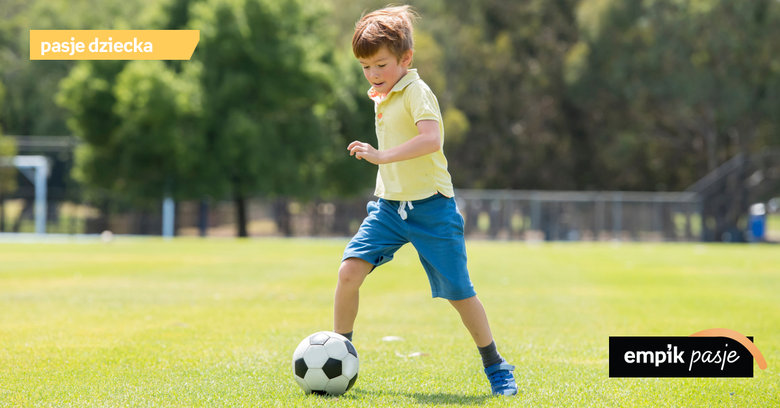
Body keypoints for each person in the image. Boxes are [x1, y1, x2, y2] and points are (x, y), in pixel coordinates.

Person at [333, 5, 518, 396]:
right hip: (388, 207)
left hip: (432, 208)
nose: (373, 74)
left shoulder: (417, 91)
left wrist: (380, 156)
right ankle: (338, 354)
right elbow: (385, 96)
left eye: (380, 64)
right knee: (348, 272)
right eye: (365, 67)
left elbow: (432, 139)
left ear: (406, 59)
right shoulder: (383, 91)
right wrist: (380, 88)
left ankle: (496, 365)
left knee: (459, 293)